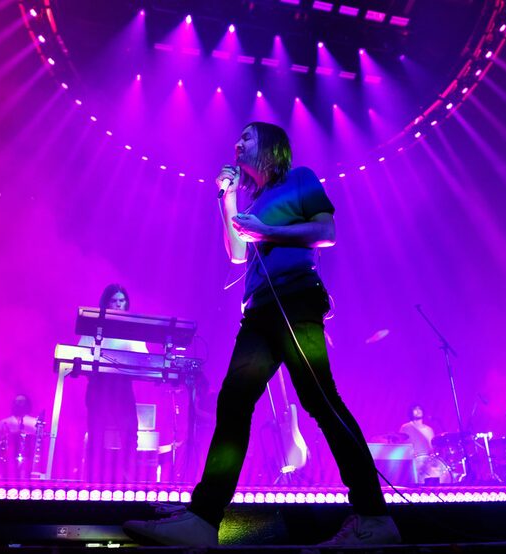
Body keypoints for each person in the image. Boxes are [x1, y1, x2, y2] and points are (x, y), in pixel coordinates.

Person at [122, 122, 401, 547]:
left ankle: (374, 517)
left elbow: (326, 233)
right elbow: (237, 254)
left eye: (247, 137)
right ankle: (203, 518)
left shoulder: (300, 180)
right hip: (259, 312)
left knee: (320, 400)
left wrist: (267, 231)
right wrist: (227, 196)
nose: (237, 143)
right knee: (233, 402)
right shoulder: (254, 199)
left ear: (270, 146)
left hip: (296, 301)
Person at [80, 283, 148, 484]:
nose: (118, 304)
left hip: (122, 387)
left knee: (129, 433)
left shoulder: (133, 328)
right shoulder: (95, 325)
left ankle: (129, 479)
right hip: (99, 386)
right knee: (96, 433)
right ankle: (93, 480)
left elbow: (143, 357)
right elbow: (81, 353)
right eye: (114, 301)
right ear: (106, 303)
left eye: (121, 300)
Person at [0, 394, 41, 480]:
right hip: (8, 459)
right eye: (17, 402)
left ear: (27, 405)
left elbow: (41, 440)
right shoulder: (5, 422)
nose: (19, 404)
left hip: (29, 459)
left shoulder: (34, 422)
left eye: (22, 402)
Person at [399, 404, 439, 484]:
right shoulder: (406, 427)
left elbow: (432, 447)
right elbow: (402, 444)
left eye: (420, 409)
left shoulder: (429, 429)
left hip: (427, 463)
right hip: (413, 461)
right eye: (415, 409)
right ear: (411, 412)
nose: (418, 411)